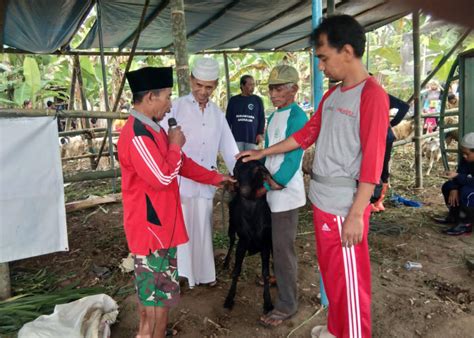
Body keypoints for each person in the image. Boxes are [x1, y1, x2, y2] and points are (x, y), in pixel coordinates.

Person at [239, 15, 388, 338]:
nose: (320, 67)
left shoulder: (371, 95)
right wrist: (262, 153)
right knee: (333, 274)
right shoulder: (332, 97)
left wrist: (357, 214)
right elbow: (306, 134)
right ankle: (336, 328)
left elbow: (373, 163)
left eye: (323, 57)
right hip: (322, 200)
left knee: (350, 280)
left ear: (346, 51)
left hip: (344, 205)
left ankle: (353, 333)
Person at [117, 66, 234, 338]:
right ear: (149, 98)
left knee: (156, 301)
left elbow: (181, 166)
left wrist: (216, 178)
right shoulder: (137, 135)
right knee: (156, 306)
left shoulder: (154, 130)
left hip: (161, 228)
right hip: (151, 231)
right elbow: (162, 176)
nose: (171, 103)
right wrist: (175, 145)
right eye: (167, 96)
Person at [161, 58, 239, 289]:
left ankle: (204, 275)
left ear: (215, 85)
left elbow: (229, 146)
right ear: (191, 80)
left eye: (209, 87)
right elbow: (163, 141)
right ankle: (183, 276)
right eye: (199, 85)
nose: (203, 92)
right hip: (180, 179)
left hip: (206, 180)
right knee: (182, 228)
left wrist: (239, 174)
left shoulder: (216, 113)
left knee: (203, 227)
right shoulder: (175, 107)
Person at [255, 65, 308, 327]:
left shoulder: (298, 117)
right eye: (271, 88)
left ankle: (288, 303)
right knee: (276, 243)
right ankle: (279, 279)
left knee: (284, 249)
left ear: (294, 89)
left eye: (278, 88)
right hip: (271, 189)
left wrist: (275, 182)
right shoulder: (275, 115)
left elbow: (294, 156)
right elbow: (269, 150)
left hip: (285, 193)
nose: (273, 93)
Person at [371, 94, 410, 212]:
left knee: (371, 165)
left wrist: (391, 123)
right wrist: (390, 124)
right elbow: (404, 106)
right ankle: (378, 201)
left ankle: (372, 201)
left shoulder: (363, 94)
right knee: (383, 165)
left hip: (373, 134)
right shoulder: (382, 94)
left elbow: (404, 106)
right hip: (385, 134)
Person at [433, 132, 474, 236]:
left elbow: (459, 176)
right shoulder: (467, 160)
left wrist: (457, 177)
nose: (464, 156)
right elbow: (460, 173)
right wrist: (454, 188)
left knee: (467, 192)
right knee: (448, 186)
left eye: (467, 153)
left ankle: (466, 223)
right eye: (463, 153)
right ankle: (454, 216)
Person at [226, 75, 265, 151]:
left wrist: (260, 134)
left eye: (253, 84)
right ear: (242, 86)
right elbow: (228, 119)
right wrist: (227, 136)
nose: (253, 87)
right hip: (236, 139)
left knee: (251, 162)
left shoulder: (258, 100)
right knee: (237, 161)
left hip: (252, 138)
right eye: (250, 85)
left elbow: (261, 118)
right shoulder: (233, 100)